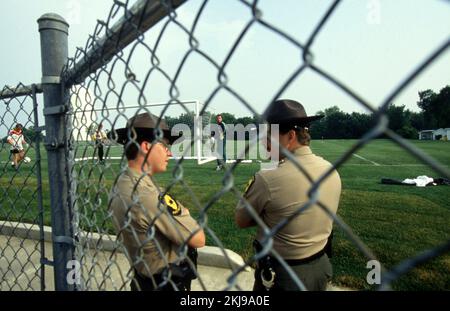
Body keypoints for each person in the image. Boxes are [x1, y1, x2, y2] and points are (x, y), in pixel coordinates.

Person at [234, 99, 341, 291]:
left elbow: (242, 220)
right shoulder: (330, 169)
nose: (264, 142)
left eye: (269, 136)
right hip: (321, 266)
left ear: (290, 136)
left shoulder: (268, 179)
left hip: (283, 276)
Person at [109, 112, 205, 291]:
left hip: (142, 279)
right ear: (146, 146)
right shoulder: (148, 195)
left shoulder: (121, 183)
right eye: (165, 146)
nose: (169, 152)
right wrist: (184, 212)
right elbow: (198, 238)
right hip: (166, 283)